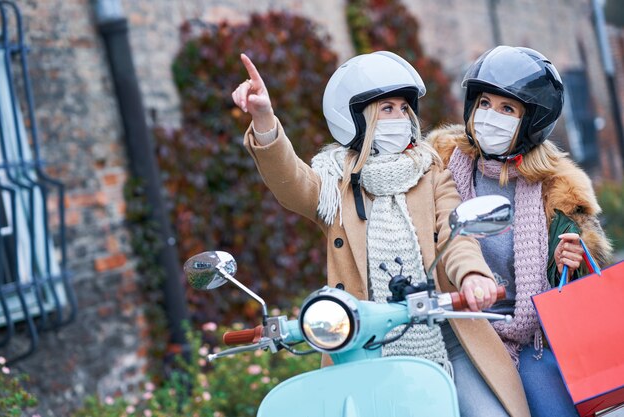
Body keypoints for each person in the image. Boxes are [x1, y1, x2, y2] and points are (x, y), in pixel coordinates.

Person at [232, 50, 532, 416]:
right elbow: (291, 183)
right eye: (387, 109)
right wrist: (264, 118)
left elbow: (453, 236)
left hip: (449, 338)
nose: (400, 117)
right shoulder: (335, 187)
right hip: (364, 348)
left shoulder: (432, 174)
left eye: (404, 109)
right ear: (357, 120)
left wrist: (471, 276)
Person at [427, 45, 613, 417]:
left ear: (531, 121)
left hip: (534, 335)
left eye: (507, 109)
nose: (490, 117)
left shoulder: (556, 186)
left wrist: (567, 259)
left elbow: (581, 283)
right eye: (484, 104)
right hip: (464, 332)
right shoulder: (441, 164)